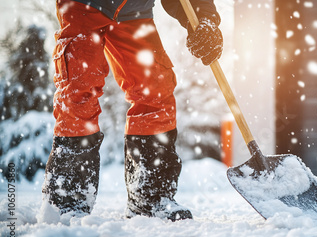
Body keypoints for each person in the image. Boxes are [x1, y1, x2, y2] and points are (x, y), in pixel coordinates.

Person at [41, 0, 223, 221]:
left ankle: (150, 197)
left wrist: (205, 19)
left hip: (134, 9)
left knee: (154, 88)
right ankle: (67, 198)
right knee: (79, 87)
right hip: (83, 5)